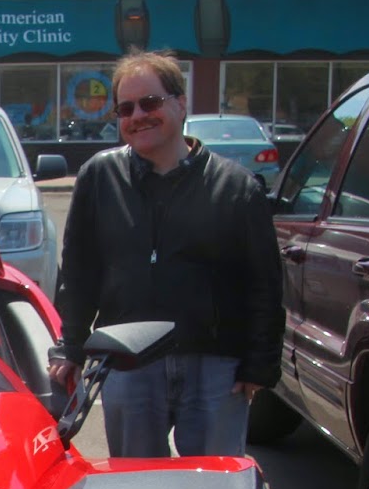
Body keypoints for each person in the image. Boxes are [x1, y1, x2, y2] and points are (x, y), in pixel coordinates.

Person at [47, 50, 284, 457]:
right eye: (126, 108)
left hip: (215, 369)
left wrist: (259, 364)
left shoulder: (236, 187)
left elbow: (264, 282)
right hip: (127, 363)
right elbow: (79, 272)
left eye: (150, 103)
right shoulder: (100, 178)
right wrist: (71, 346)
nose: (137, 115)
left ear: (180, 102)